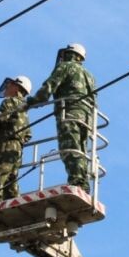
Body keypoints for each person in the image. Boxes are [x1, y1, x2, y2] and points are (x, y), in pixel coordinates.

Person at [27, 43, 96, 191]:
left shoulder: (65, 67)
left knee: (70, 147)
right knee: (81, 149)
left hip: (69, 112)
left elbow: (49, 87)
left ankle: (77, 181)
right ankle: (83, 182)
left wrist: (31, 102)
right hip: (87, 117)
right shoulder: (89, 76)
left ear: (68, 54)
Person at [0, 75, 32, 202]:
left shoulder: (10, 102)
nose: (7, 87)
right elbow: (27, 135)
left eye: (10, 85)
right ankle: (12, 203)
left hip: (6, 145)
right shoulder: (24, 109)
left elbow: (0, 117)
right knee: (10, 181)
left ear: (17, 88)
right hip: (18, 148)